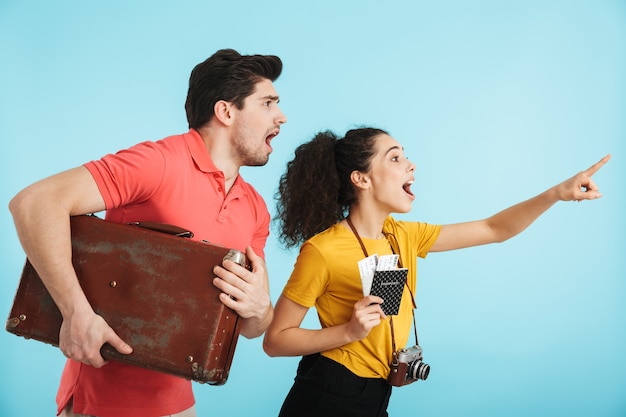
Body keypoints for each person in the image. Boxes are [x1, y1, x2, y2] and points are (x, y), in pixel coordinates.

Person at [9, 48, 287, 417]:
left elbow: (253, 328)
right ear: (226, 111)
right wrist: (76, 313)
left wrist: (260, 309)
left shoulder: (254, 207)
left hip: (180, 404)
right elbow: (34, 204)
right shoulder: (158, 163)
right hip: (102, 401)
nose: (280, 117)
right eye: (268, 103)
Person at [263, 127, 610, 417]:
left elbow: (494, 229)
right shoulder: (323, 250)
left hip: (377, 395)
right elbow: (276, 340)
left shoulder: (404, 236)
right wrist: (350, 331)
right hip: (329, 392)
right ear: (361, 179)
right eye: (395, 158)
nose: (410, 164)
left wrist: (556, 194)